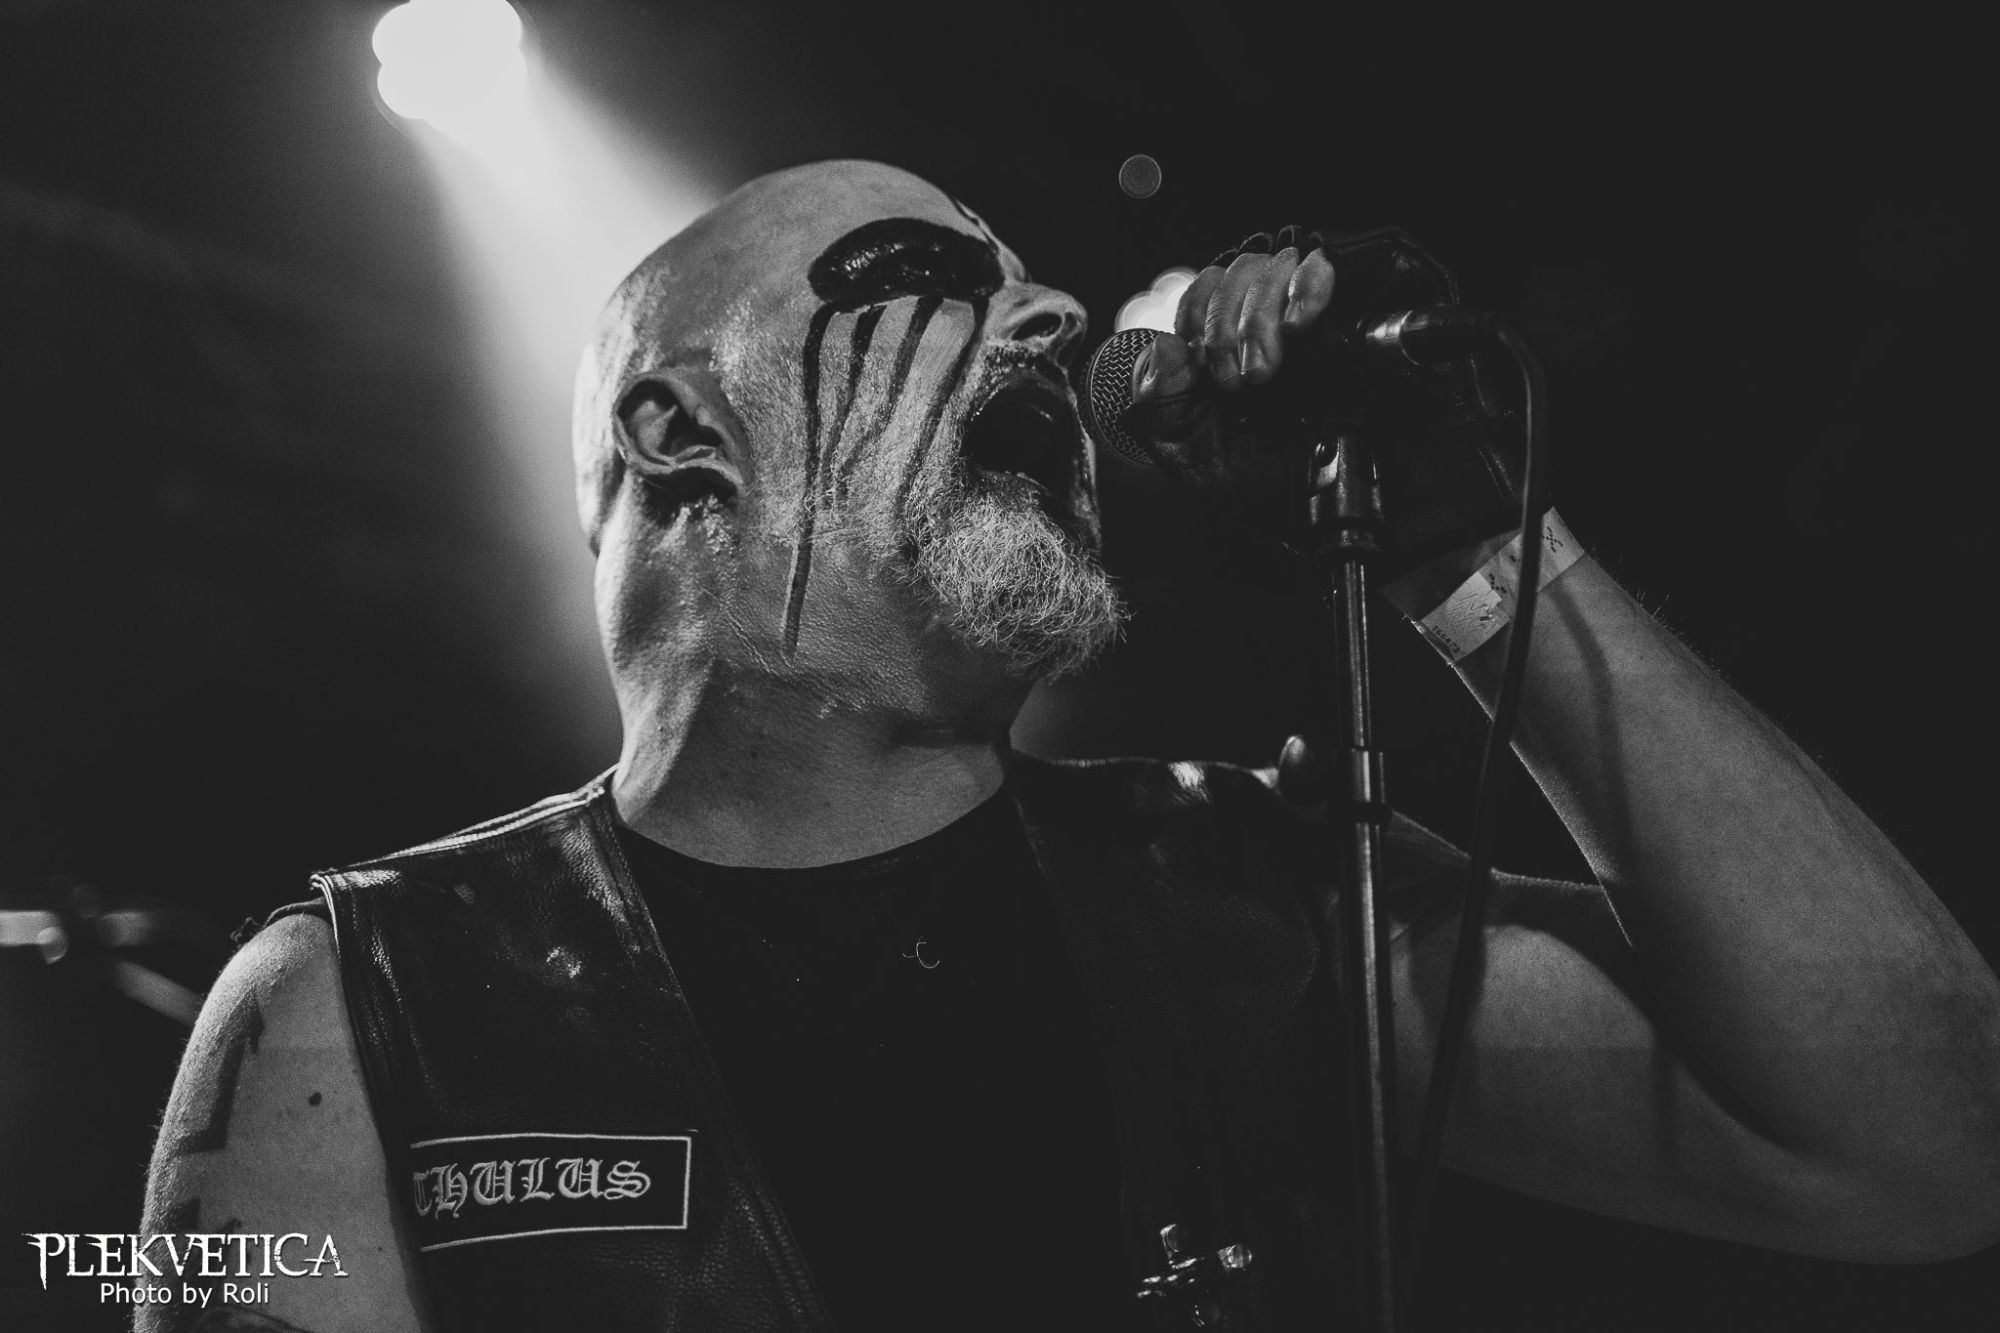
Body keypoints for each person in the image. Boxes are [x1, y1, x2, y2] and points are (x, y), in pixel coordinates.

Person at [137, 160, 2000, 1332]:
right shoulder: (363, 1001)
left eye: (1026, 281)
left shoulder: (1254, 896)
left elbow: (1920, 1146)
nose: (1042, 314)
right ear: (679, 431)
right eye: (919, 273)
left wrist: (1473, 560)